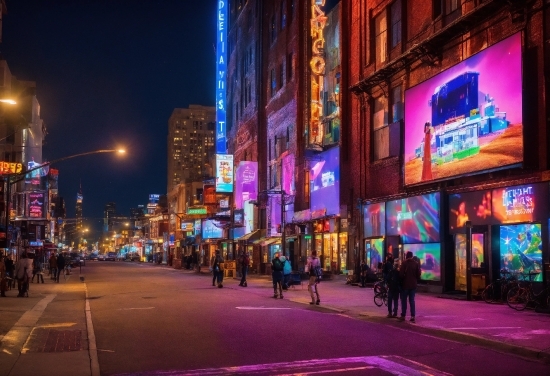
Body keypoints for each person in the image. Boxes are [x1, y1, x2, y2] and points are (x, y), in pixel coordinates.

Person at [398, 251, 422, 323]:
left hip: (405, 285)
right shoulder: (416, 264)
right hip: (413, 285)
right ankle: (412, 316)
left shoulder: (404, 263)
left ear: (407, 256)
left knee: (404, 301)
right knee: (412, 301)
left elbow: (401, 275)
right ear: (412, 256)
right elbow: (418, 275)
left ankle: (403, 315)